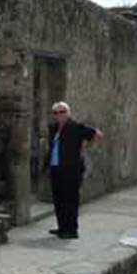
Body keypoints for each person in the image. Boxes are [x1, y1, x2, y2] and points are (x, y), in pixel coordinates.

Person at [47, 101, 104, 239]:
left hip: (71, 170)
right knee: (58, 199)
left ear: (68, 113)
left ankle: (72, 230)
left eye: (62, 112)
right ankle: (62, 227)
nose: (59, 115)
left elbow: (97, 135)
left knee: (70, 200)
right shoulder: (54, 128)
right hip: (56, 168)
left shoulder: (75, 127)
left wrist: (80, 152)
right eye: (56, 112)